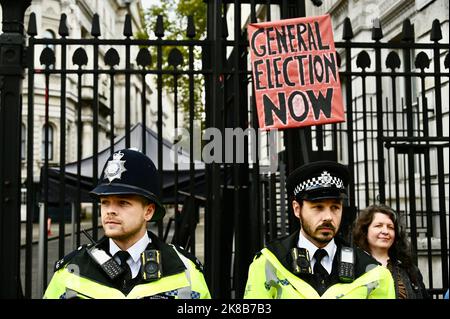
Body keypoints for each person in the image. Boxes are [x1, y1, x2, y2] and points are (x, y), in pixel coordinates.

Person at [44, 148, 211, 299]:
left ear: (148, 211)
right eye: (105, 202)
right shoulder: (72, 268)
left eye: (123, 202)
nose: (110, 210)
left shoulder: (185, 268)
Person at [244, 160, 395, 299]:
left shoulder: (372, 273)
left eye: (335, 207)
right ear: (297, 209)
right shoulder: (269, 263)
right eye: (318, 207)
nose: (328, 217)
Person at [352, 204, 430, 299]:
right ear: (365, 231)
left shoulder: (408, 268)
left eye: (390, 227)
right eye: (378, 226)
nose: (385, 231)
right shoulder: (353, 267)